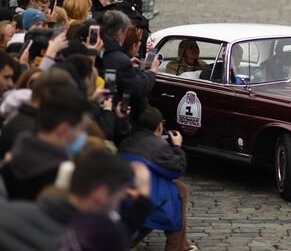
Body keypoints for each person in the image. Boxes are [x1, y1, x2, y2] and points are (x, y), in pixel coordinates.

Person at [0, 149, 152, 250]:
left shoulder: (8, 213)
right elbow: (116, 235)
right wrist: (143, 198)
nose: (116, 208)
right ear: (101, 194)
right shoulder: (89, 240)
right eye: (118, 200)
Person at [118, 106, 196, 251]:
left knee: (164, 194)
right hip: (147, 197)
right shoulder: (160, 146)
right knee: (179, 191)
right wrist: (177, 147)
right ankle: (176, 246)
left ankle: (130, 240)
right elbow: (176, 170)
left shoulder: (126, 142)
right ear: (160, 127)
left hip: (125, 195)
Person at [0, 80, 88, 200]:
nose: (83, 136)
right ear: (64, 129)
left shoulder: (11, 159)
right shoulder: (61, 179)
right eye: (81, 129)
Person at [101, 10, 158, 117]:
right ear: (119, 33)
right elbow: (138, 88)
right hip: (118, 112)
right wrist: (152, 71)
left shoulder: (100, 48)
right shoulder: (120, 60)